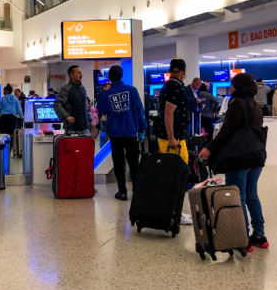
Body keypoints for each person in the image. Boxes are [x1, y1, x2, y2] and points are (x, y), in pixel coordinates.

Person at [199, 72, 268, 251]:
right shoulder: (255, 105)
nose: (230, 87)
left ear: (237, 86)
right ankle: (260, 236)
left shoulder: (237, 104)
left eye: (232, 84)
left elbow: (226, 132)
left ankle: (242, 238)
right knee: (252, 196)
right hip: (256, 155)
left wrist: (209, 148)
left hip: (239, 157)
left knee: (238, 197)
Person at [96, 65, 146, 201]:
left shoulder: (107, 94)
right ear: (121, 75)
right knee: (134, 162)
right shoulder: (132, 90)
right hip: (131, 132)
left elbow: (100, 109)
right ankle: (137, 191)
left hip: (115, 133)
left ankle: (122, 191)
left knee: (118, 163)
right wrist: (142, 129)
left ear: (110, 78)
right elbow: (140, 111)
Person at [156, 59, 190, 162]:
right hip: (173, 138)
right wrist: (171, 137)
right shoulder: (175, 87)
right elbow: (168, 112)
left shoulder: (169, 85)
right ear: (184, 71)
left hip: (173, 136)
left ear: (169, 70)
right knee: (178, 169)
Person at [54, 65, 90, 136]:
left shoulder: (82, 88)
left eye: (81, 72)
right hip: (72, 129)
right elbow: (57, 104)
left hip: (85, 128)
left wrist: (90, 120)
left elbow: (84, 107)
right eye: (78, 73)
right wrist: (66, 116)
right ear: (71, 75)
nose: (81, 74)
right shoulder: (65, 89)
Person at [0, 84, 23, 149]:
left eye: (4, 90)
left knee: (3, 134)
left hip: (3, 118)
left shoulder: (2, 99)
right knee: (11, 134)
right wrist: (22, 117)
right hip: (12, 118)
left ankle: (3, 148)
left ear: (7, 91)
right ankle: (10, 148)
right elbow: (19, 109)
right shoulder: (15, 99)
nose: (3, 92)